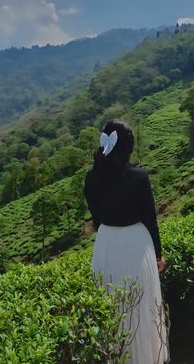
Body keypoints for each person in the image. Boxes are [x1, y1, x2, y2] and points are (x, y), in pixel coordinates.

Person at [84, 119, 169, 364]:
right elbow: (150, 219)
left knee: (112, 307)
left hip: (107, 244)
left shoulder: (91, 178)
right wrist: (158, 256)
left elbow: (97, 219)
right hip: (136, 244)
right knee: (140, 307)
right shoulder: (139, 177)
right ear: (128, 148)